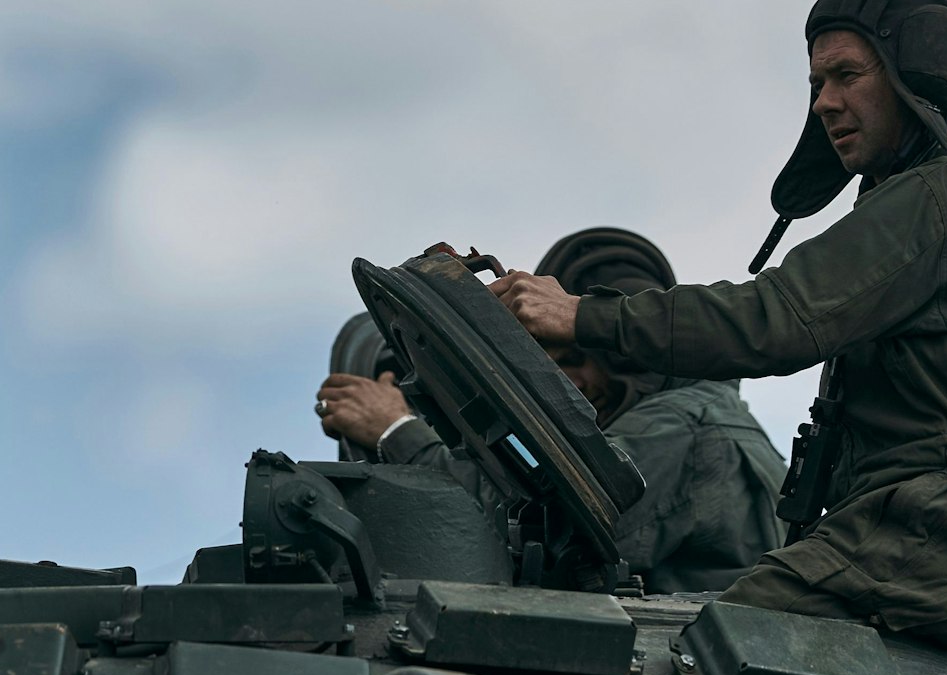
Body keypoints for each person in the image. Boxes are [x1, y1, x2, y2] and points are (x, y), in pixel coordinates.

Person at [489, 0, 947, 647]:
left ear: (918, 75)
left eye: (846, 75)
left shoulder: (943, 198)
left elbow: (774, 320)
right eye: (815, 84)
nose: (824, 104)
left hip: (922, 535)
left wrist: (581, 316)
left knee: (703, 654)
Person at [316, 229, 788, 593]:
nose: (571, 383)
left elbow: (535, 535)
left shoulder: (681, 428)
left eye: (576, 360)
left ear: (626, 358)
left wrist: (398, 431)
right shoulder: (693, 413)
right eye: (554, 365)